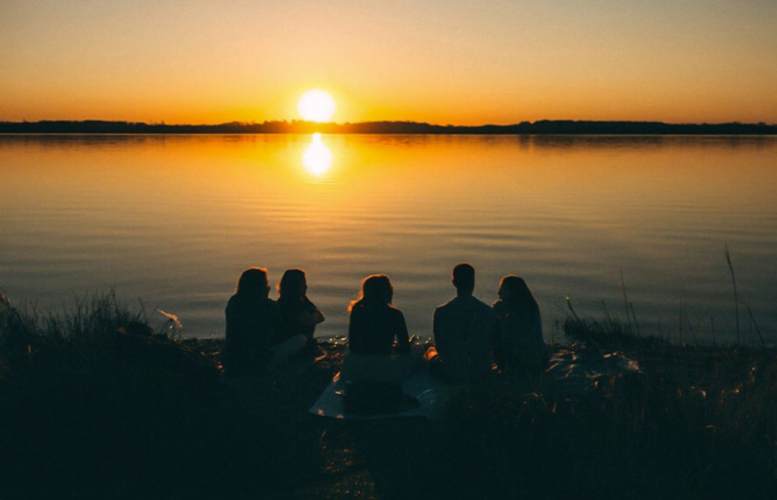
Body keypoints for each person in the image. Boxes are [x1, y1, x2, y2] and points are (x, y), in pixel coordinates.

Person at [343, 274, 414, 412]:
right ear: (387, 292)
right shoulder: (395, 314)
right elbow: (405, 349)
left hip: (356, 370)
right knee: (418, 352)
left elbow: (353, 346)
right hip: (384, 370)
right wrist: (394, 348)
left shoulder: (357, 312)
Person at [223, 268, 306, 376]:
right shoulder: (269, 306)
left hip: (229, 359)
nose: (268, 287)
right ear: (261, 286)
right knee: (301, 339)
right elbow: (280, 328)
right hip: (258, 362)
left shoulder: (234, 301)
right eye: (266, 284)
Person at [429, 263, 496, 383]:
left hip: (451, 373)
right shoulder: (488, 312)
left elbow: (440, 346)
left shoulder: (441, 312)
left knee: (429, 352)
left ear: (454, 283)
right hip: (480, 372)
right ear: (473, 282)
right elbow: (492, 344)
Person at [493, 275, 548, 376]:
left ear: (512, 291)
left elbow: (507, 337)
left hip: (522, 363)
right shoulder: (530, 305)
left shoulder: (514, 311)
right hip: (540, 359)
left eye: (502, 289)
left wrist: (496, 314)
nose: (499, 293)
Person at [277, 269, 325, 354]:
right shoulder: (288, 304)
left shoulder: (302, 301)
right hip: (291, 344)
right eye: (303, 284)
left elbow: (321, 317)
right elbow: (310, 321)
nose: (306, 287)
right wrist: (314, 315)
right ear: (296, 286)